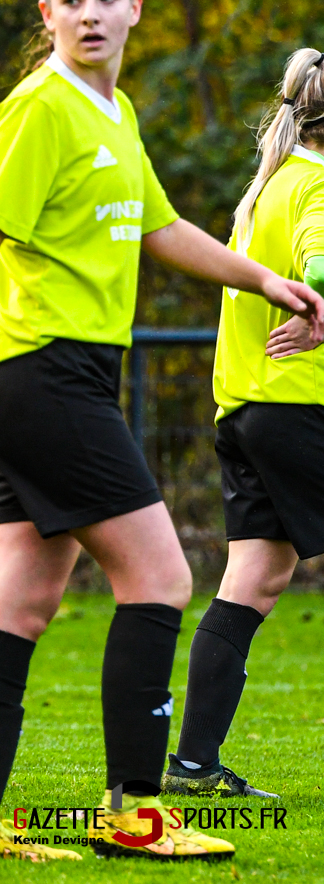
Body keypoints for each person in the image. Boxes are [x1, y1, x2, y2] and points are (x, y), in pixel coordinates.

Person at [0, 0, 324, 862]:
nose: (91, 15)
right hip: (41, 373)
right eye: (71, 1)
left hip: (66, 374)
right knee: (160, 577)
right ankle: (138, 815)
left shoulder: (116, 113)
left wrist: (268, 282)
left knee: (21, 599)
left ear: (135, 8)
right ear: (48, 16)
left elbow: (163, 227)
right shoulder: (39, 111)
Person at [161, 48, 324, 800]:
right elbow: (319, 267)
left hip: (245, 407)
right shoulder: (318, 185)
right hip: (299, 407)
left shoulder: (269, 187)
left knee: (257, 578)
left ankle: (193, 766)